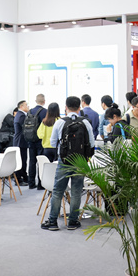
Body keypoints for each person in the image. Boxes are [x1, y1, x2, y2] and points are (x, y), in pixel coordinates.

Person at [41, 96, 94, 231]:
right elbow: (92, 143)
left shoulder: (60, 122)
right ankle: (73, 222)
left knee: (58, 191)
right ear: (79, 108)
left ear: (66, 107)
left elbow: (53, 143)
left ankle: (53, 222)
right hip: (80, 162)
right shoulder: (85, 123)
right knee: (76, 192)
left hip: (64, 161)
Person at [26, 94, 47, 189]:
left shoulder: (30, 111)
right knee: (40, 162)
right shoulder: (45, 112)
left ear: (35, 101)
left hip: (30, 139)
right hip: (40, 140)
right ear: (44, 101)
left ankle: (31, 183)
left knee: (32, 161)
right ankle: (40, 184)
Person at [13, 100, 29, 185]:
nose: (28, 106)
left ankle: (24, 177)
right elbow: (25, 128)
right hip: (20, 142)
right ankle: (19, 179)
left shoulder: (20, 115)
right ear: (21, 106)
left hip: (19, 141)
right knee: (21, 161)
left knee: (22, 160)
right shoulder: (21, 116)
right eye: (26, 105)